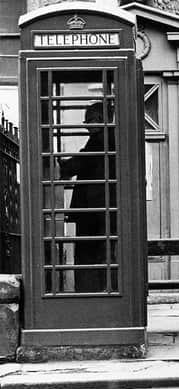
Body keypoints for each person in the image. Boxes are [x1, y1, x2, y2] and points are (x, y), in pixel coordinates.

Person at [59, 102, 116, 292]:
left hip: (93, 210)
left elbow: (82, 161)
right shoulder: (105, 138)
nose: (86, 126)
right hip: (102, 209)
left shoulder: (101, 139)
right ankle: (102, 290)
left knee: (88, 254)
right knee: (101, 253)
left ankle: (89, 292)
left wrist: (60, 167)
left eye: (89, 120)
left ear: (100, 120)